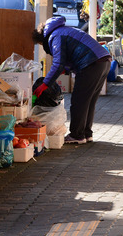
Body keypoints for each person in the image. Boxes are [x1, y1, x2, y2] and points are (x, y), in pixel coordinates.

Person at [32, 16, 111, 144]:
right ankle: (86, 133)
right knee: (88, 101)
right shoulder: (64, 30)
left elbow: (58, 63)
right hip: (103, 61)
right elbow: (70, 56)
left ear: (42, 39)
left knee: (79, 101)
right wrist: (65, 70)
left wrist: (45, 84)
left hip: (90, 64)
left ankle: (77, 135)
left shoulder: (55, 36)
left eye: (41, 44)